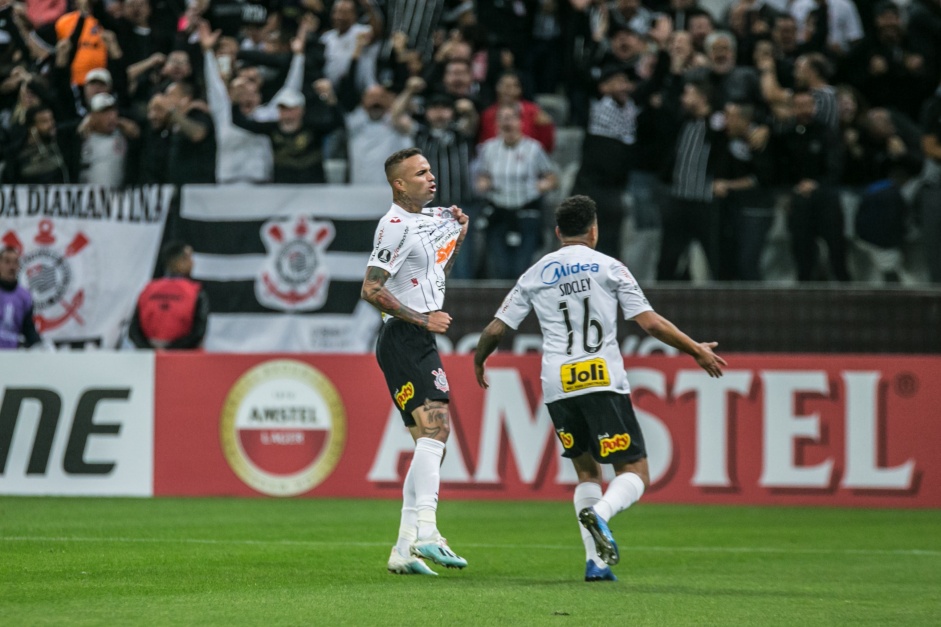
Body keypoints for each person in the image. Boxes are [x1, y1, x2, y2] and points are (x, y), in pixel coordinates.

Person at [473, 195, 726, 582]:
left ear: (558, 233)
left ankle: (597, 563)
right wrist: (695, 349)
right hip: (601, 378)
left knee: (587, 472)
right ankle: (603, 514)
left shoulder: (535, 273)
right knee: (635, 471)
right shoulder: (610, 268)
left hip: (558, 383)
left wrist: (479, 360)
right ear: (594, 230)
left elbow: (495, 329)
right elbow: (651, 324)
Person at [360, 147, 469, 576]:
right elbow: (371, 289)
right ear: (399, 184)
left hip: (411, 338)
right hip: (405, 336)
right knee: (437, 429)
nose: (430, 177)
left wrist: (458, 235)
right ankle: (427, 531)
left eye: (430, 170)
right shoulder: (393, 226)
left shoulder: (426, 222)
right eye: (420, 173)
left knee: (431, 442)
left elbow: (436, 273)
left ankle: (404, 549)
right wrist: (423, 318)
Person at [128, 242, 209, 350]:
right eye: (189, 258)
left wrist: (151, 351)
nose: (193, 263)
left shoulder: (148, 290)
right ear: (180, 262)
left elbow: (133, 331)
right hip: (185, 359)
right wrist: (170, 351)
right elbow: (198, 332)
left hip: (149, 359)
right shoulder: (195, 292)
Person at [0, 247, 44, 350]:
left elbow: (28, 328)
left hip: (13, 354)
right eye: (7, 262)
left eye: (15, 262)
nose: (12, 267)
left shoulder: (24, 296)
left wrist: (39, 345)